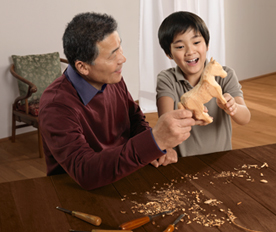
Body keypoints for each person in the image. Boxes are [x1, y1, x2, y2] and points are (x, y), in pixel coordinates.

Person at [38, 12, 196, 190]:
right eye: (113, 55)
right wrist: (154, 141)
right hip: (80, 194)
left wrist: (155, 150)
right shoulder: (56, 105)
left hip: (126, 177)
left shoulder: (112, 78)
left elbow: (135, 119)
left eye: (120, 47)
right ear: (83, 67)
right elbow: (86, 172)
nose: (123, 58)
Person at [156, 11, 251, 159]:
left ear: (206, 45)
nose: (190, 51)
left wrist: (234, 107)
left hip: (221, 158)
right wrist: (192, 115)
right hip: (183, 162)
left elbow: (245, 118)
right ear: (169, 53)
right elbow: (166, 122)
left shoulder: (225, 76)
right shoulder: (166, 79)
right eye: (180, 46)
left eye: (196, 42)